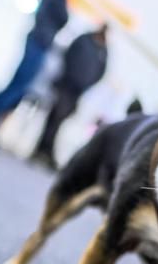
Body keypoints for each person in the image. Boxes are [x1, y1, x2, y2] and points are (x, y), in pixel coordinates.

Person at [0, 0, 68, 137]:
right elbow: (55, 18)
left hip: (40, 42)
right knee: (20, 84)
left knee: (20, 86)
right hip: (39, 41)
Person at [32, 23, 108, 167]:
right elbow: (69, 56)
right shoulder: (84, 40)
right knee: (54, 118)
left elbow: (101, 72)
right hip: (66, 86)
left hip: (77, 92)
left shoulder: (103, 50)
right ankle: (42, 150)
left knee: (59, 121)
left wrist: (87, 84)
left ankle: (46, 150)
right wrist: (70, 77)